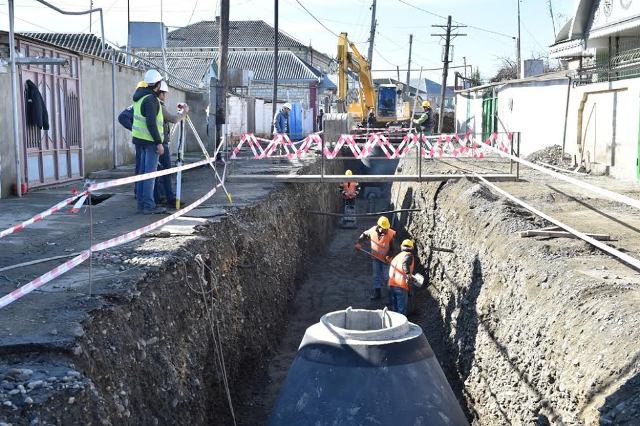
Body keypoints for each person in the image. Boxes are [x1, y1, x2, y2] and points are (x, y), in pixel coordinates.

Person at [132, 69, 166, 215]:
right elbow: (151, 123)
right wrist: (159, 142)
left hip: (140, 140)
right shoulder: (151, 100)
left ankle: (142, 204)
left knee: (142, 174)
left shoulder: (139, 97)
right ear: (157, 85)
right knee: (150, 175)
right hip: (150, 141)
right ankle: (148, 205)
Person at [154, 81, 189, 208]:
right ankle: (168, 197)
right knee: (165, 171)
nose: (165, 96)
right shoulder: (158, 105)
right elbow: (173, 119)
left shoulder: (152, 103)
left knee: (158, 172)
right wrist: (183, 113)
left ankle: (161, 197)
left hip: (156, 142)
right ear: (161, 93)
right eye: (165, 93)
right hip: (160, 143)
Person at [355, 216, 397, 300]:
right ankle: (377, 294)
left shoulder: (390, 234)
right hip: (375, 258)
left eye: (387, 229)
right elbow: (364, 235)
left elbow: (394, 249)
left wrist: (389, 256)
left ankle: (391, 297)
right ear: (379, 226)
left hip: (385, 260)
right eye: (384, 229)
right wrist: (359, 243)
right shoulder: (372, 231)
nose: (386, 230)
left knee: (387, 278)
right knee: (376, 276)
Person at [388, 239, 416, 315]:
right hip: (401, 285)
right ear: (412, 248)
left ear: (401, 247)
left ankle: (394, 325)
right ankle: (402, 326)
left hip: (391, 284)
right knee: (401, 310)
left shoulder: (397, 256)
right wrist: (407, 274)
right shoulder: (408, 255)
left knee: (395, 309)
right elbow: (405, 264)